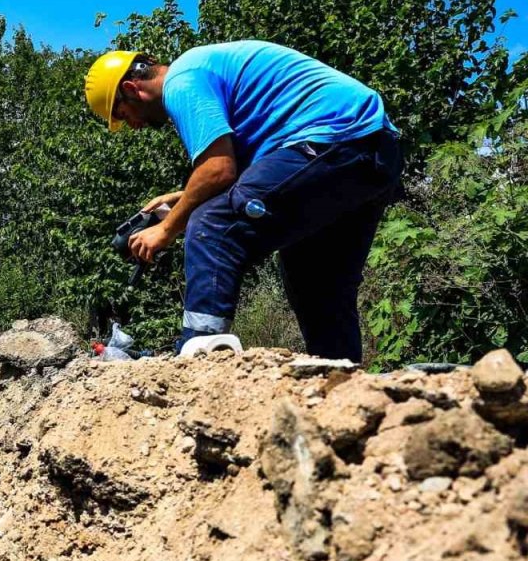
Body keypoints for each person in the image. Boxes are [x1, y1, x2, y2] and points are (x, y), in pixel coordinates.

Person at [83, 41, 403, 362]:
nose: (132, 126)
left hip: (334, 137)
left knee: (213, 224)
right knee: (316, 283)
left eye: (124, 115)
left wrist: (166, 228)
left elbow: (218, 170)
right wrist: (182, 199)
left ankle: (199, 351)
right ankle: (340, 377)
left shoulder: (181, 80)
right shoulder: (204, 69)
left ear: (131, 88)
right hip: (371, 152)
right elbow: (253, 177)